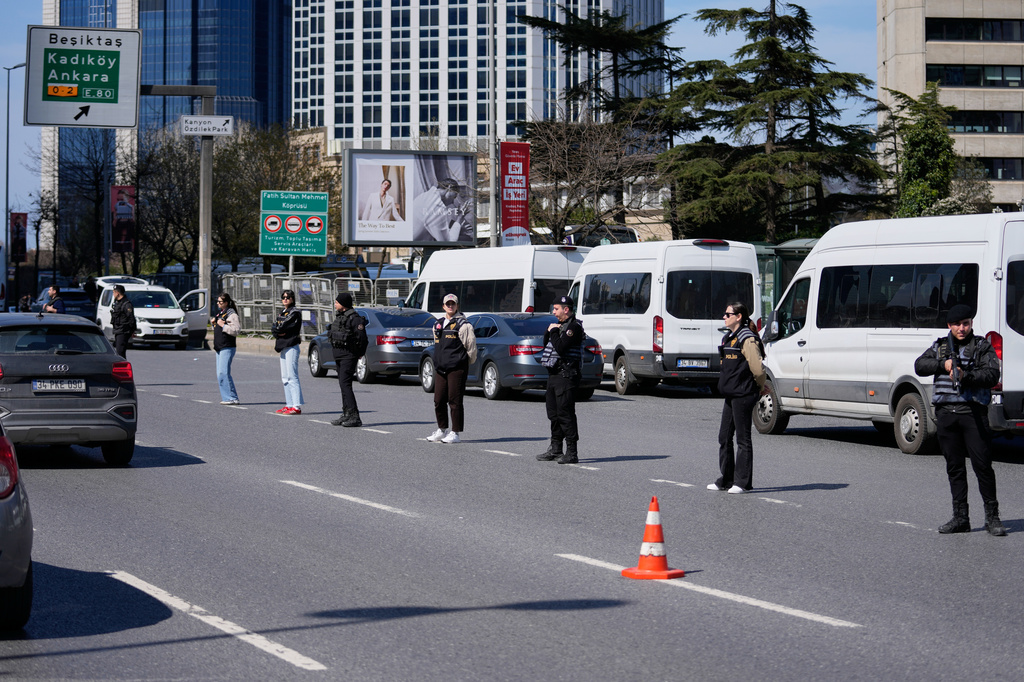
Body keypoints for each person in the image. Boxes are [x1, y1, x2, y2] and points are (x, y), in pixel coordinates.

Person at [914, 304, 1006, 536]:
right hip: (946, 415)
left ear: (971, 323)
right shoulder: (940, 346)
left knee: (982, 467)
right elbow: (919, 365)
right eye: (957, 324)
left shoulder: (981, 346)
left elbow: (992, 374)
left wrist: (967, 376)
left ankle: (992, 518)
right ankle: (960, 518)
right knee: (954, 468)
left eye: (965, 323)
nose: (961, 328)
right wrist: (942, 365)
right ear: (949, 326)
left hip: (972, 414)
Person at [708, 302, 766, 493]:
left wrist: (758, 387)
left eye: (727, 314)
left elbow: (757, 368)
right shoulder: (729, 337)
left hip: (743, 393)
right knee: (724, 437)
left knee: (743, 439)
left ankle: (742, 482)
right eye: (724, 314)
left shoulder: (746, 338)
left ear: (739, 316)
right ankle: (726, 479)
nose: (724, 317)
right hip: (731, 393)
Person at [536, 295, 584, 464]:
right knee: (553, 414)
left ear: (566, 309)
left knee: (565, 413)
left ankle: (572, 452)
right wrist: (549, 331)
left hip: (567, 375)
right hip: (554, 375)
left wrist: (554, 331)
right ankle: (556, 449)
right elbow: (547, 344)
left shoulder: (574, 327)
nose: (554, 312)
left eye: (556, 309)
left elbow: (562, 348)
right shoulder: (561, 326)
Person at [426, 293, 477, 444]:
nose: (450, 306)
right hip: (441, 368)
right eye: (447, 304)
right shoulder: (438, 324)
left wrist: (463, 363)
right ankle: (442, 429)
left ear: (457, 306)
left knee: (454, 401)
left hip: (457, 368)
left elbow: (471, 348)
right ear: (443, 306)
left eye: (452, 304)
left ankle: (455, 433)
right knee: (438, 400)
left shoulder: (464, 325)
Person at [329, 293, 366, 427]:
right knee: (342, 385)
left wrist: (359, 353)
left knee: (346, 385)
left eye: (337, 302)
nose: (335, 303)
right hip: (339, 355)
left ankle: (355, 416)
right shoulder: (341, 317)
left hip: (348, 356)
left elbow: (362, 339)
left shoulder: (355, 319)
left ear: (343, 304)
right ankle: (346, 414)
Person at [273, 289, 304, 415]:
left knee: (292, 376)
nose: (285, 299)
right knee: (285, 377)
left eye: (288, 297)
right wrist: (278, 330)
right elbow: (274, 328)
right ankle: (289, 404)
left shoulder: (295, 312)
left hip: (291, 345)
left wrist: (280, 329)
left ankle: (296, 406)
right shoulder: (282, 312)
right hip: (283, 345)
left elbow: (285, 326)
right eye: (283, 297)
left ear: (292, 299)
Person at [412, 178, 472, 242]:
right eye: (455, 196)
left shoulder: (426, 196)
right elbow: (448, 242)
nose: (453, 202)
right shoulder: (436, 206)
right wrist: (460, 218)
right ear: (450, 187)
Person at [211, 293, 241, 405]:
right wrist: (215, 323)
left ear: (227, 303)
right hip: (219, 346)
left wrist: (223, 325)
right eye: (218, 301)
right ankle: (227, 397)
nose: (218, 303)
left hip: (227, 346)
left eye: (221, 302)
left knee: (224, 372)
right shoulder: (220, 313)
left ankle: (232, 397)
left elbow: (236, 330)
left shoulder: (231, 314)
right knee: (220, 373)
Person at [109, 285, 136, 358]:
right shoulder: (118, 303)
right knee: (118, 352)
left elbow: (131, 319)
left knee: (120, 352)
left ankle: (123, 368)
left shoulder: (126, 304)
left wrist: (131, 331)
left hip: (123, 331)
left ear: (117, 293)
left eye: (113, 292)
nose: (113, 294)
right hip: (118, 330)